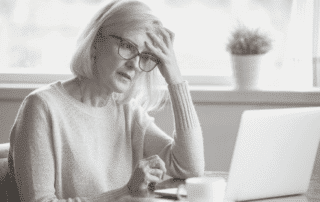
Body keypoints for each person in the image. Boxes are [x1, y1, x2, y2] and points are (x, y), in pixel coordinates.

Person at [5, 0, 205, 201]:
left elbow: (189, 167)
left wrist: (174, 76)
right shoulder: (42, 107)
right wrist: (125, 191)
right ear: (95, 42)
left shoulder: (128, 111)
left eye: (145, 56)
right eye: (127, 46)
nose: (134, 64)